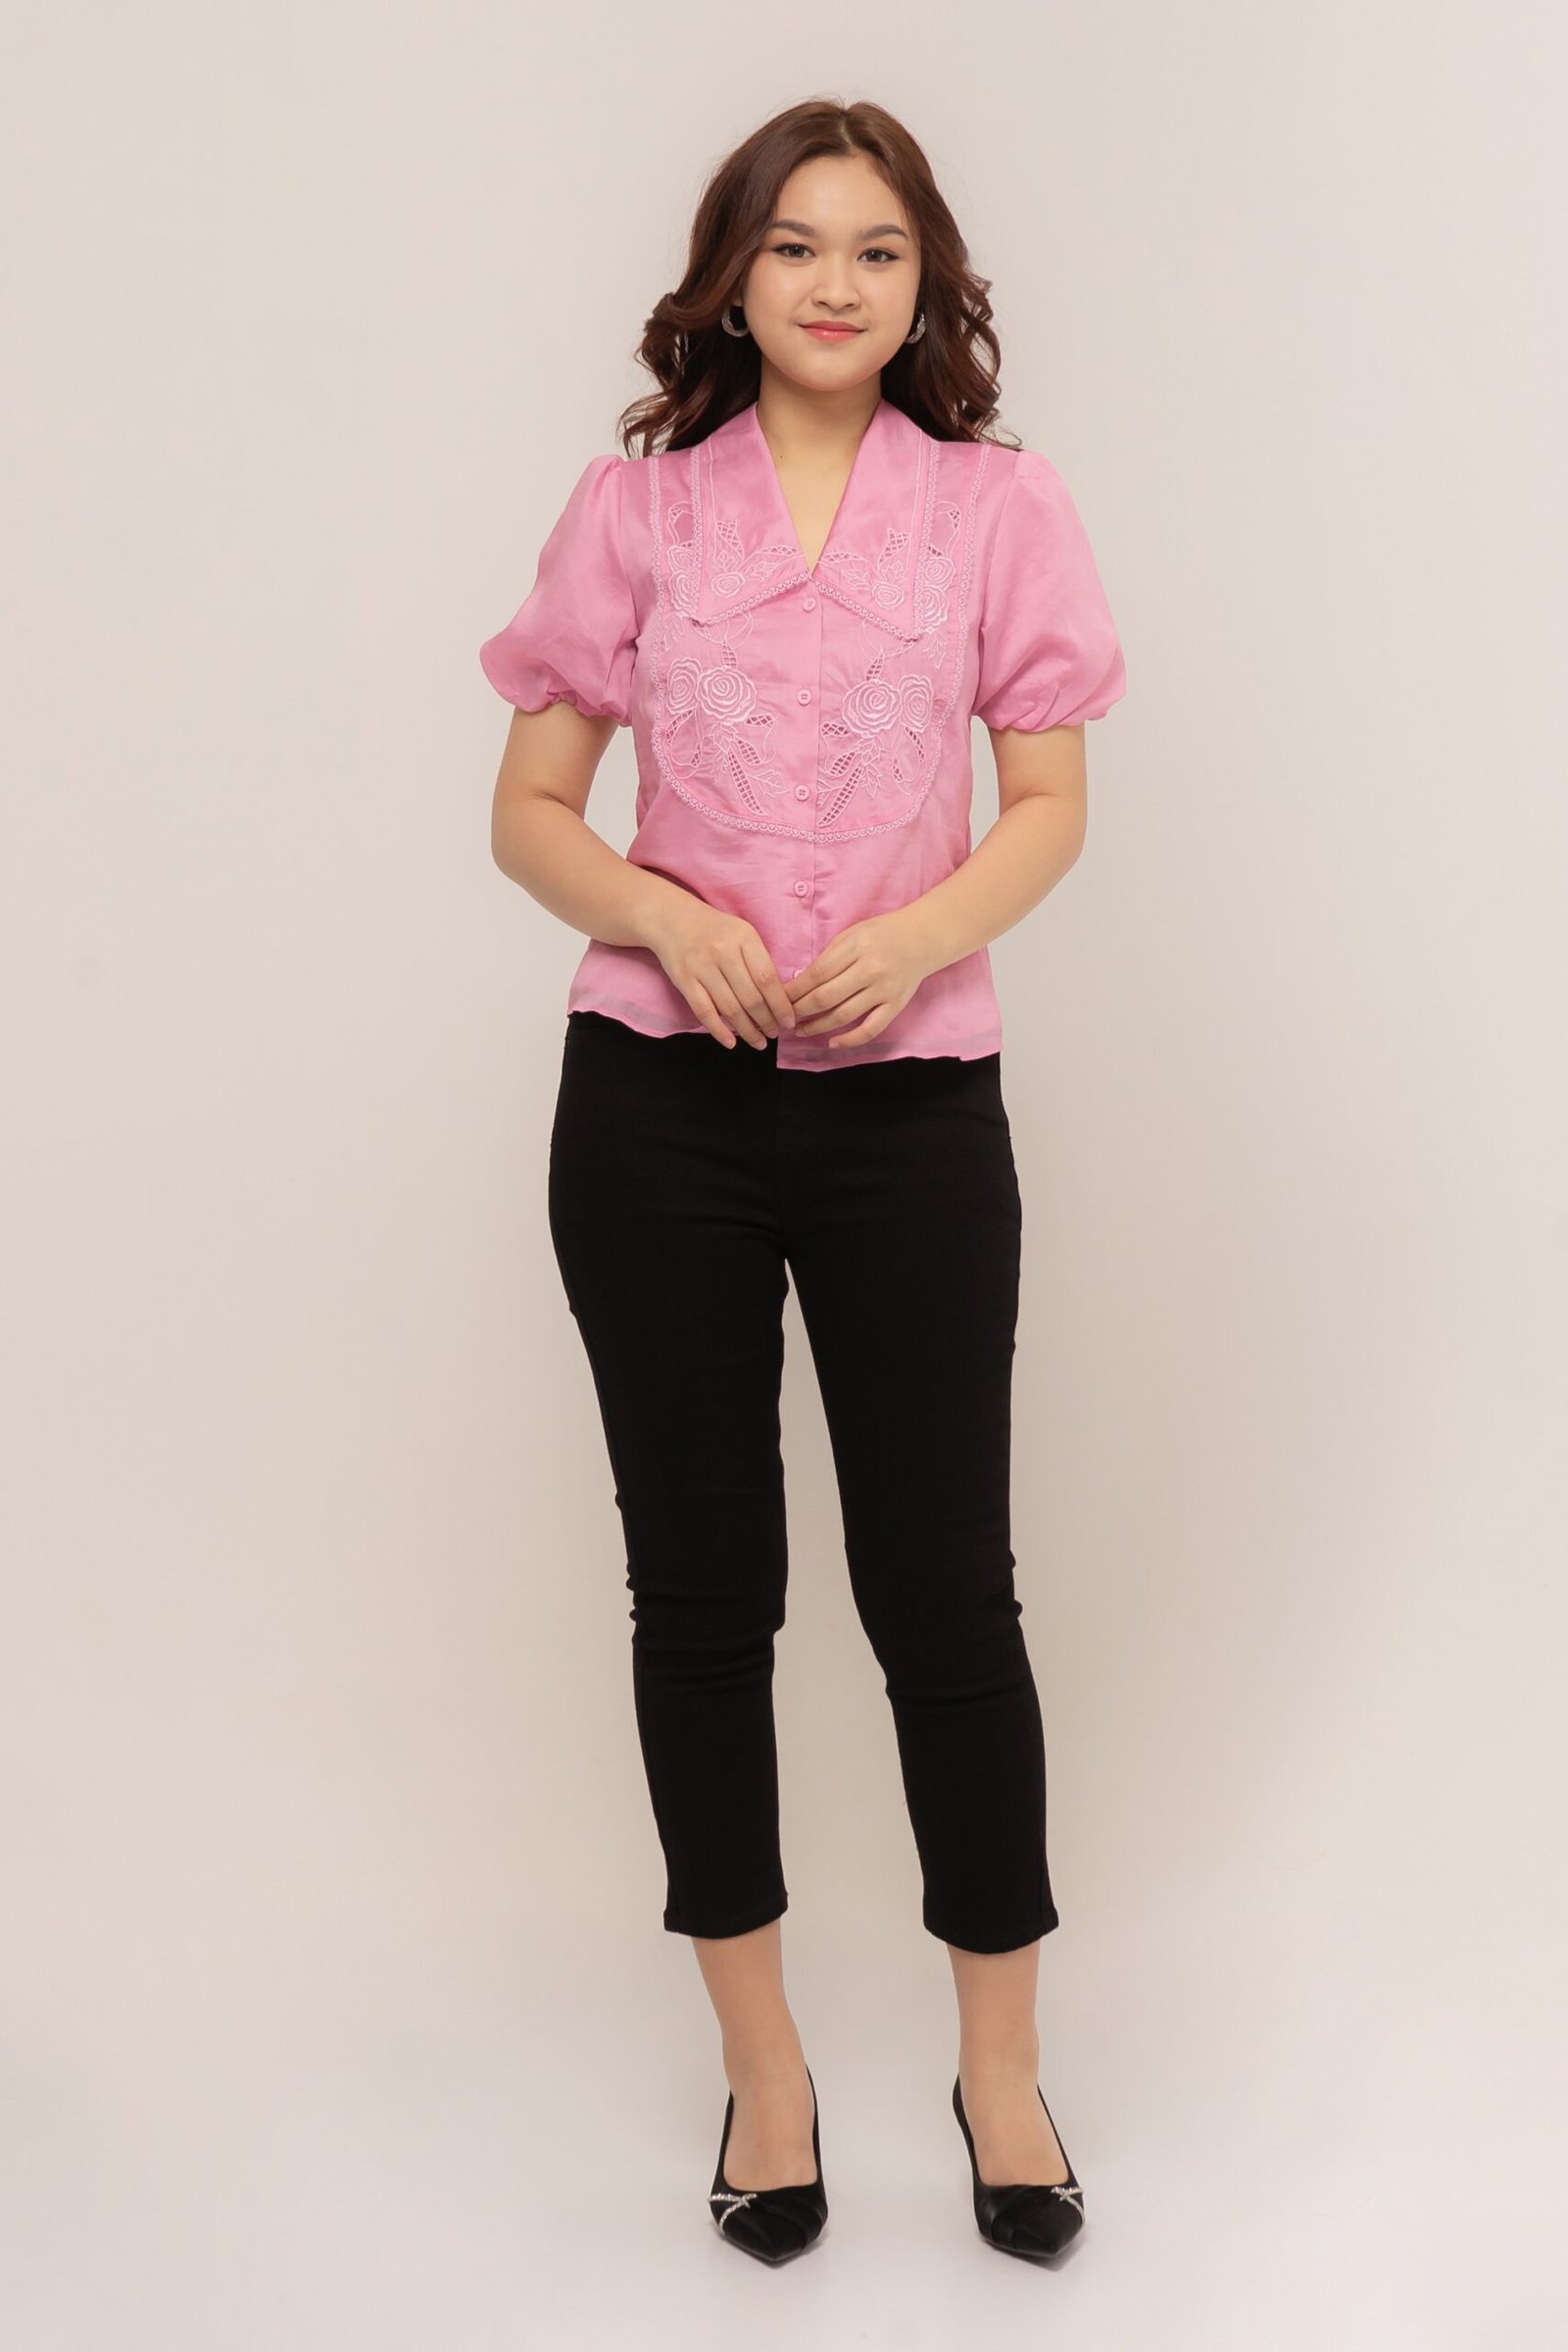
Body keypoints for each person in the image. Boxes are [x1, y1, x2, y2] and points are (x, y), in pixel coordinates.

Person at [478, 96, 1126, 2267]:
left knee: (946, 1599)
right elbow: (530, 809)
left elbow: (1047, 802)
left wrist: (922, 933)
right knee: (701, 1598)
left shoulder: (999, 510)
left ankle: (999, 2071)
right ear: (729, 277)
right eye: (791, 246)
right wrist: (661, 916)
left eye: (875, 249)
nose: (834, 284)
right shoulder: (637, 511)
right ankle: (765, 2074)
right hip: (655, 1110)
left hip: (909, 1109)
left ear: (924, 281)